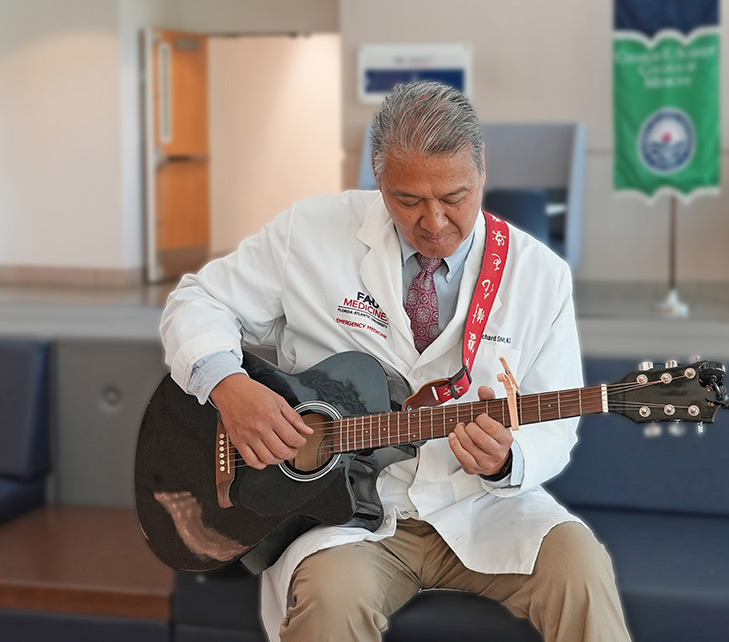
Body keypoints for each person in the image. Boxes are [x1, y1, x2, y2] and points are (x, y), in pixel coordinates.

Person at [160, 80, 630, 642]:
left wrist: (508, 460)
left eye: (454, 197)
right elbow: (196, 301)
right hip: (345, 517)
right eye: (408, 201)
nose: (433, 222)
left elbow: (556, 423)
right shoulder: (308, 234)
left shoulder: (539, 276)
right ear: (379, 182)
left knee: (580, 566)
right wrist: (228, 385)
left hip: (480, 506)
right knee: (330, 601)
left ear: (482, 174)